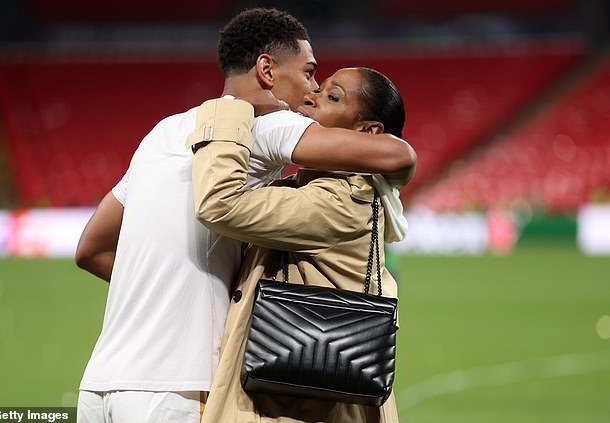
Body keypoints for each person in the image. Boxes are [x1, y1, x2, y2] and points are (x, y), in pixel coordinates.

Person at [75, 8, 416, 423]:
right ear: (267, 70)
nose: (310, 90)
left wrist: (167, 285)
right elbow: (397, 154)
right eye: (309, 73)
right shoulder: (266, 126)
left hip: (101, 384)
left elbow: (89, 249)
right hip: (179, 387)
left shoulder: (163, 131)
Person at [189, 67, 411, 423]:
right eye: (318, 88)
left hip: (298, 405)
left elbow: (221, 203)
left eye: (332, 96)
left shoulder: (341, 199)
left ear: (368, 133)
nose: (311, 96)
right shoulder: (320, 187)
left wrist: (231, 109)